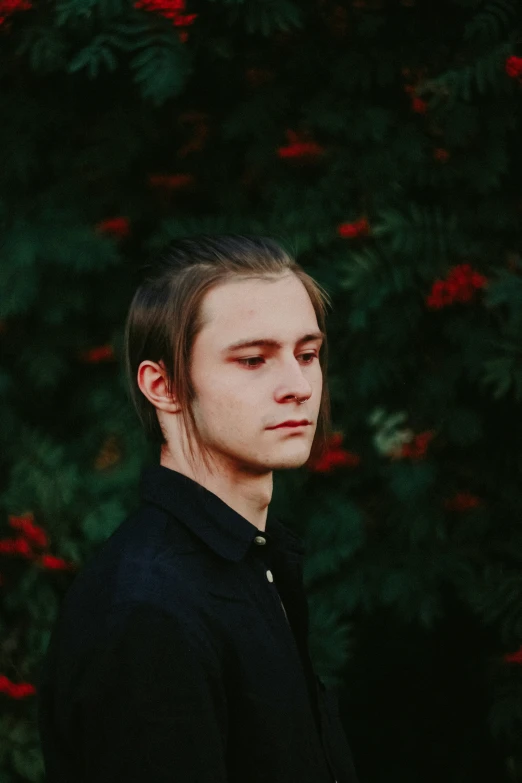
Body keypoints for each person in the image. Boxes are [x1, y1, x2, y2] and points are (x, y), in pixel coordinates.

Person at [37, 235, 359, 782]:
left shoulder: (254, 560)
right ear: (162, 385)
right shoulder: (150, 607)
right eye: (254, 359)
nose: (298, 386)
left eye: (307, 354)